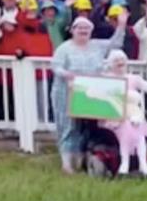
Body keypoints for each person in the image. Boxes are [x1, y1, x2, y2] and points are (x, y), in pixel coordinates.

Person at [50, 13, 128, 174]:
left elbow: (116, 43)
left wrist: (121, 25)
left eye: (87, 28)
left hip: (90, 92)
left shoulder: (97, 46)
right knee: (68, 127)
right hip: (66, 92)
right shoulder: (64, 48)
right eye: (80, 27)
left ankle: (81, 160)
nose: (83, 30)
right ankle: (66, 164)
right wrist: (68, 74)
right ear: (72, 30)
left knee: (86, 128)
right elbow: (56, 67)